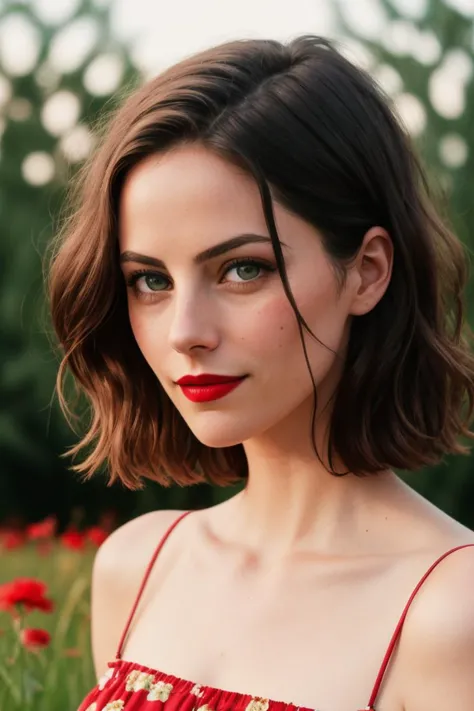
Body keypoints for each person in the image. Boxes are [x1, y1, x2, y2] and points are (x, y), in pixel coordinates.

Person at [47, 34, 474, 711]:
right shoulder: (138, 567)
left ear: (367, 270)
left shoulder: (452, 613)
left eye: (243, 269)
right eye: (150, 279)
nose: (185, 331)